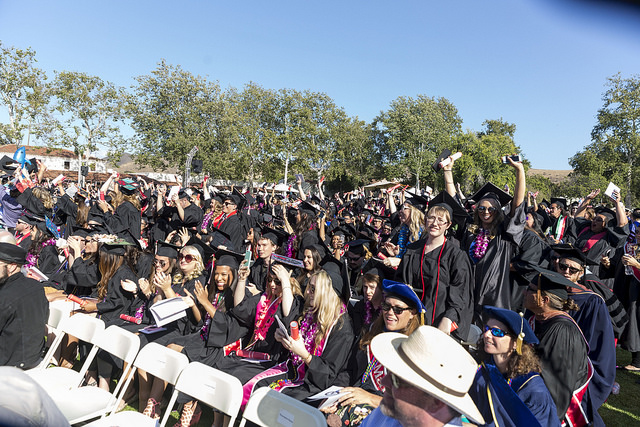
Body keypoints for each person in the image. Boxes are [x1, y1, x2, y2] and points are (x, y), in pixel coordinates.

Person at [240, 269, 354, 406]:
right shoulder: (313, 312)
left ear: (326, 293)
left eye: (313, 289)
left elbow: (329, 374)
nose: (307, 293)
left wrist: (305, 355)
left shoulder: (342, 328)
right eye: (308, 288)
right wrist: (284, 340)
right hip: (294, 370)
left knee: (271, 399)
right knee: (254, 384)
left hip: (312, 385)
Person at [324, 280, 425, 426]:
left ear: (412, 313)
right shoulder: (370, 333)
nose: (390, 313)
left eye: (398, 310)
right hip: (354, 398)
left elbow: (411, 407)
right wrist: (334, 397)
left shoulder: (416, 350)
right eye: (386, 306)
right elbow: (348, 371)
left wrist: (369, 397)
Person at [446, 155, 526, 317]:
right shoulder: (470, 230)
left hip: (494, 297)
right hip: (467, 291)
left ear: (498, 211)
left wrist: (519, 171)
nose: (486, 212)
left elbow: (517, 206)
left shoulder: (504, 234)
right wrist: (448, 171)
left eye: (491, 209)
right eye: (481, 208)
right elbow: (454, 204)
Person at [361, 325, 485, 427]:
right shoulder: (389, 412)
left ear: (436, 403)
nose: (384, 382)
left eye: (397, 380)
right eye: (390, 372)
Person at [551, 245, 615, 426]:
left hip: (576, 371)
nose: (566, 272)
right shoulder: (549, 293)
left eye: (573, 269)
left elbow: (601, 348)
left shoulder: (592, 301)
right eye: (563, 266)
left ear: (581, 274)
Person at [397, 194, 474, 340]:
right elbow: (400, 280)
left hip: (440, 322)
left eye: (440, 220)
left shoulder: (456, 255)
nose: (435, 223)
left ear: (448, 225)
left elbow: (460, 293)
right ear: (425, 220)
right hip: (410, 319)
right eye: (431, 218)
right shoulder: (413, 249)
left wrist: (448, 319)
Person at [470, 306, 560, 427]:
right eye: (486, 328)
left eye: (496, 332)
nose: (486, 334)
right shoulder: (482, 373)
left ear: (515, 343)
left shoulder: (533, 390)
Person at [523, 268, 590, 426]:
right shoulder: (539, 320)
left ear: (544, 300)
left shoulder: (562, 331)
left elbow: (556, 387)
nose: (524, 293)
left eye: (530, 290)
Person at [0, 242, 49, 370]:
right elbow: (45, 317)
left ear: (11, 267)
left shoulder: (5, 296)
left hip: (9, 365)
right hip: (32, 357)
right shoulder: (36, 286)